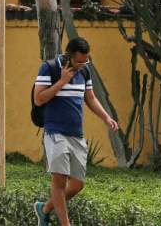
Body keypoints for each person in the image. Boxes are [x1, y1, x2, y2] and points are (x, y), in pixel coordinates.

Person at [33, 38, 119, 226]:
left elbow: (91, 98)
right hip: (55, 132)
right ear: (69, 55)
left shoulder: (84, 71)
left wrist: (106, 117)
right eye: (79, 61)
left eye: (85, 61)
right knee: (59, 180)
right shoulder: (49, 68)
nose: (82, 65)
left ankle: (44, 209)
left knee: (78, 184)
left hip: (76, 135)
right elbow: (38, 99)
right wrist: (62, 81)